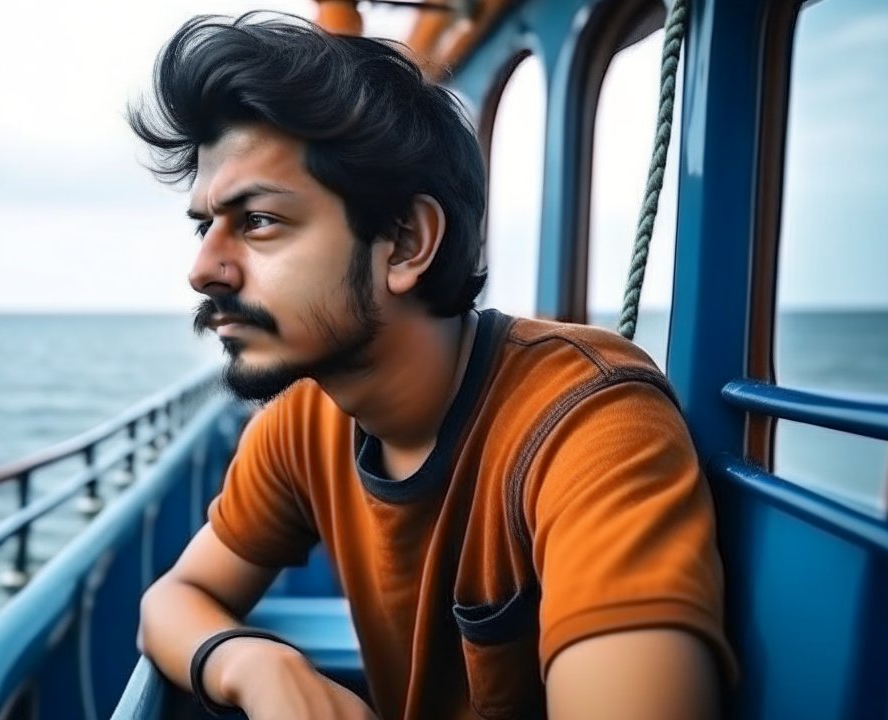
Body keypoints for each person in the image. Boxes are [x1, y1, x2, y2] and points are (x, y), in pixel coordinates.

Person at [129, 12, 735, 720]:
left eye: (258, 220)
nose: (204, 269)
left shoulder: (590, 425)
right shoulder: (302, 425)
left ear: (406, 243)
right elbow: (171, 601)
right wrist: (251, 664)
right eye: (207, 226)